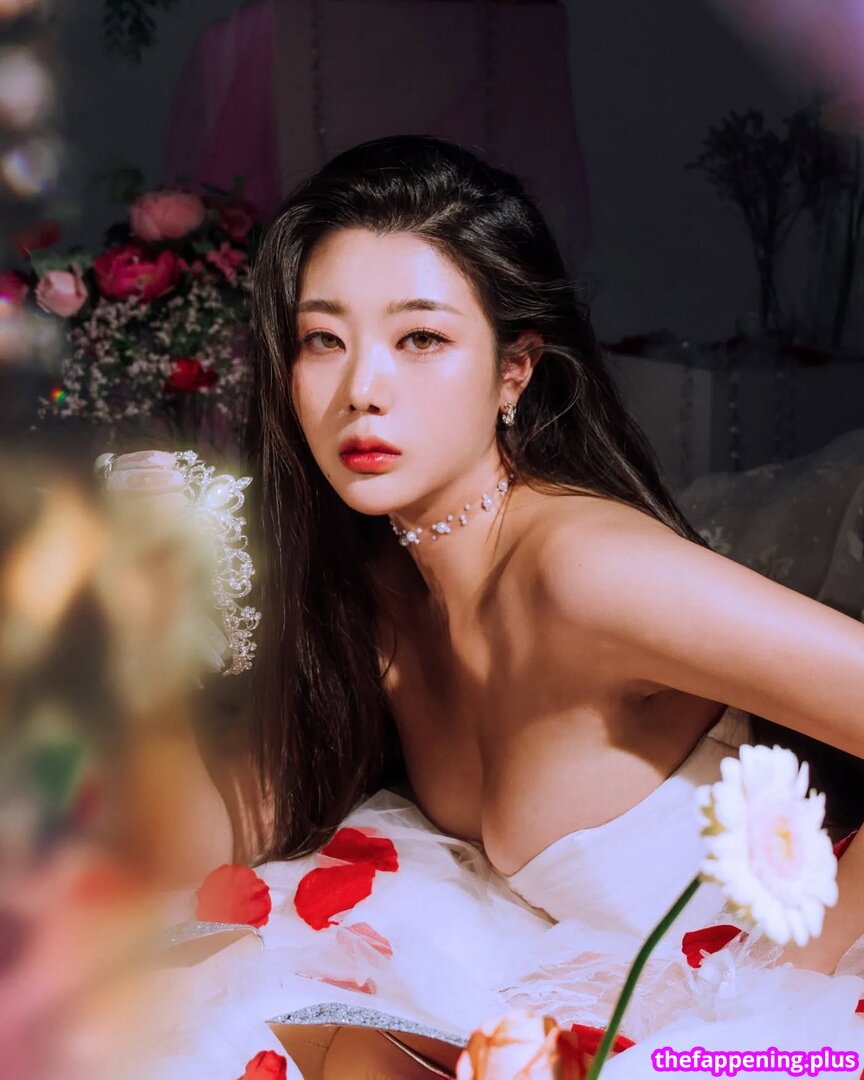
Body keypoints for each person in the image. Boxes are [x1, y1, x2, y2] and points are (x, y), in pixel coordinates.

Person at [107, 135, 864, 1077]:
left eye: (420, 339)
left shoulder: (587, 572)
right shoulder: (382, 585)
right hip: (583, 981)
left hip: (773, 995)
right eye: (323, 340)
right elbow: (215, 842)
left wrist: (772, 1002)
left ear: (515, 371)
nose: (362, 391)